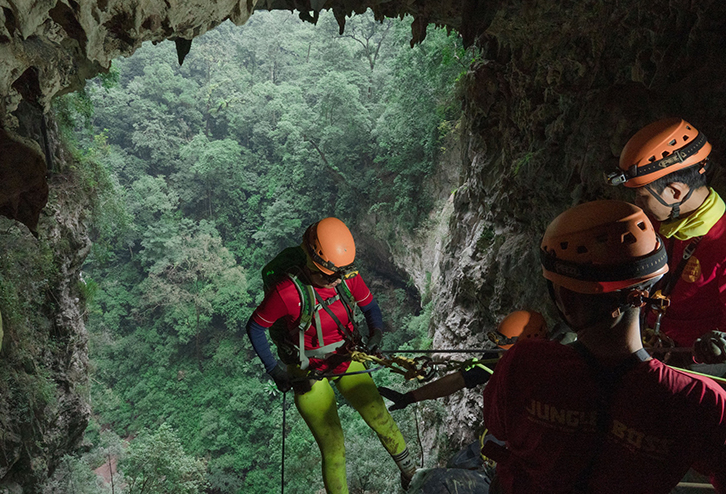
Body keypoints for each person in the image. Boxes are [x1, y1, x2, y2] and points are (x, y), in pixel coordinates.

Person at [482, 200, 726, 493]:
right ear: (652, 289)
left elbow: (498, 428)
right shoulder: (699, 402)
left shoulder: (526, 363)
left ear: (566, 300)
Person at [246, 217, 417, 493]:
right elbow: (255, 327)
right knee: (334, 447)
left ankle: (412, 474)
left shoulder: (347, 278)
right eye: (330, 275)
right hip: (307, 372)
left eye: (340, 273)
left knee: (380, 417)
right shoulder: (287, 292)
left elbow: (370, 309)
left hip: (346, 357)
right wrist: (274, 369)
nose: (336, 280)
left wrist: (376, 334)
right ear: (313, 263)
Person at [606, 117, 726, 364]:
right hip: (643, 340)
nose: (639, 205)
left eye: (642, 196)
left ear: (675, 192)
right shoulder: (661, 222)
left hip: (690, 362)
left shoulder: (720, 244)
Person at [377, 310, 548, 411]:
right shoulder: (495, 359)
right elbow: (458, 379)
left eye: (505, 351)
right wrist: (411, 397)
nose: (500, 356)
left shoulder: (551, 369)